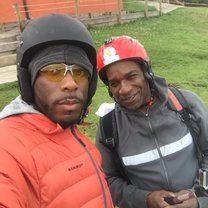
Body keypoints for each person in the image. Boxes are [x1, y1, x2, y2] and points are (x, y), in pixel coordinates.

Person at [0, 13, 113, 208]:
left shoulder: (73, 133)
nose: (70, 84)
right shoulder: (7, 146)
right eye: (53, 71)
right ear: (29, 82)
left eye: (79, 72)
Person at [95, 35, 208, 208]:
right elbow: (109, 181)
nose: (124, 89)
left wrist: (198, 196)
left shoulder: (186, 104)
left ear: (146, 73)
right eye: (114, 83)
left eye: (131, 76)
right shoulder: (108, 127)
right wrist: (145, 199)